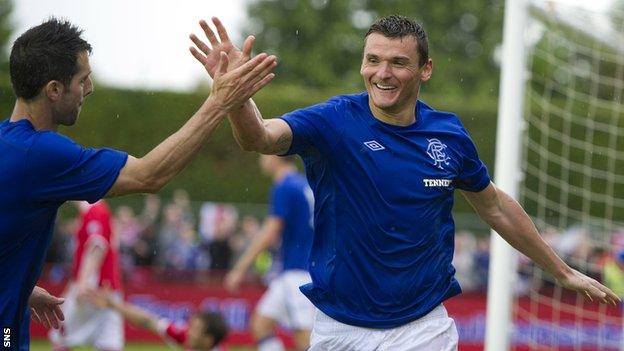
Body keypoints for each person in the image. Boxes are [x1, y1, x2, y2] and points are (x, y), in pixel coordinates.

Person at [189, 15, 621, 350]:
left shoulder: (449, 136)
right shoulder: (332, 121)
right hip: (339, 329)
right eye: (373, 60)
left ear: (425, 69)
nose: (383, 73)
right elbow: (258, 138)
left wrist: (562, 271)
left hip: (422, 328)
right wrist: (235, 96)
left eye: (398, 62)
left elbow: (493, 205)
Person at [0, 18, 276, 349]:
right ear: (54, 89)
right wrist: (219, 102)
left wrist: (21, 287)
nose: (89, 89)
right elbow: (149, 174)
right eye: (83, 80)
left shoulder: (8, 143)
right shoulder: (42, 153)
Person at [224, 155, 315, 351]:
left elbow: (271, 231)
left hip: (298, 273)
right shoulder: (303, 183)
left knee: (305, 342)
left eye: (264, 154)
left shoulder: (284, 185)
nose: (261, 159)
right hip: (298, 269)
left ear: (276, 156)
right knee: (261, 324)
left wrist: (240, 268)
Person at [48, 200, 124, 350]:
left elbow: (97, 247)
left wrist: (81, 283)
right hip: (107, 289)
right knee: (108, 342)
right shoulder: (99, 210)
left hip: (92, 289)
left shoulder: (94, 210)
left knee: (61, 336)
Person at [85, 287, 228, 351]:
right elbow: (148, 321)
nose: (188, 331)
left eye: (195, 330)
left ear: (208, 340)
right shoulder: (183, 335)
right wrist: (113, 304)